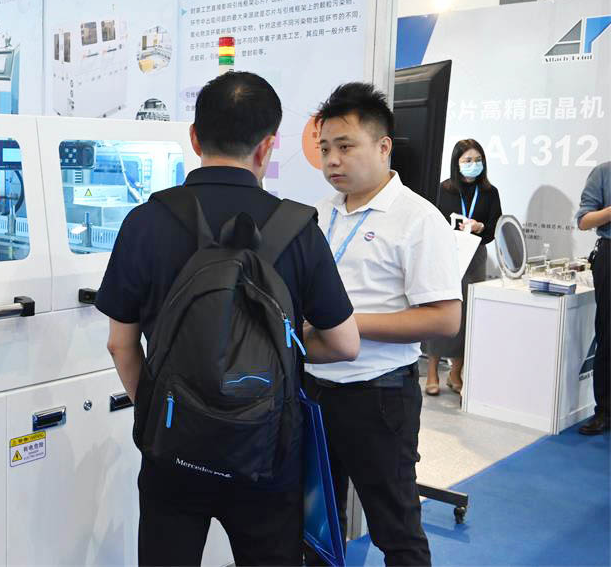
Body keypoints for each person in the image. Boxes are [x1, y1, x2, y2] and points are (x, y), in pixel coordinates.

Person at [96, 71, 360, 566]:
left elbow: (120, 344)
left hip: (172, 447)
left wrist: (160, 409)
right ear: (267, 147)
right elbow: (346, 344)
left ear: (195, 138)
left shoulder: (145, 222)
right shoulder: (299, 229)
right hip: (266, 450)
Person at [305, 82, 462, 566]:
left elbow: (445, 318)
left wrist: (345, 324)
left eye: (345, 146)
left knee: (395, 529)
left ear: (383, 146)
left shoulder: (418, 219)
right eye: (325, 149)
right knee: (316, 524)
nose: (332, 160)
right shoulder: (320, 214)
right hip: (313, 390)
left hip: (377, 396)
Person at [422, 139, 502, 396]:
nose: (473, 164)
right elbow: (429, 222)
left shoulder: (490, 192)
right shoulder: (443, 189)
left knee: (467, 314)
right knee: (440, 307)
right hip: (445, 254)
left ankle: (456, 372)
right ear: (456, 163)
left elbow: (495, 227)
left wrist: (480, 227)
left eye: (478, 160)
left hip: (474, 256)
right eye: (468, 160)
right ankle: (432, 372)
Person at [576, 161, 610, 435]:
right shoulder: (603, 172)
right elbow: (583, 220)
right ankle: (605, 411)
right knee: (608, 335)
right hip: (609, 254)